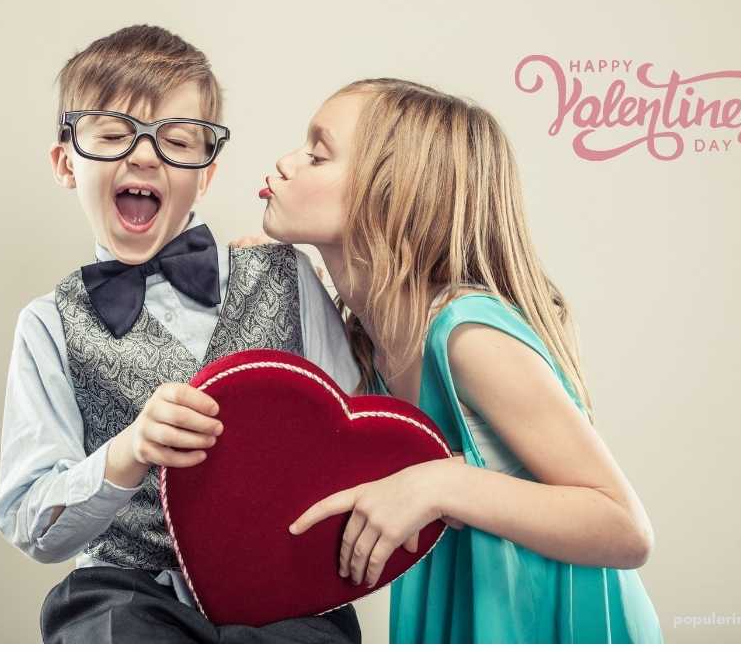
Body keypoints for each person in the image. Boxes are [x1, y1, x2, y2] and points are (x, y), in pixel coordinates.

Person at [237, 77, 665, 643]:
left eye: (317, 155)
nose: (287, 163)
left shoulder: (468, 336)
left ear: (392, 195)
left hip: (543, 623)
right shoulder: (371, 333)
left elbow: (624, 527)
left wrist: (439, 486)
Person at [0, 25, 363, 644]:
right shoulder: (48, 326)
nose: (143, 156)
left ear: (207, 172)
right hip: (125, 597)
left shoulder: (289, 276)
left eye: (175, 140)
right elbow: (31, 523)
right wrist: (127, 452)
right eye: (113, 134)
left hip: (283, 592)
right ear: (65, 162)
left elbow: (351, 436)